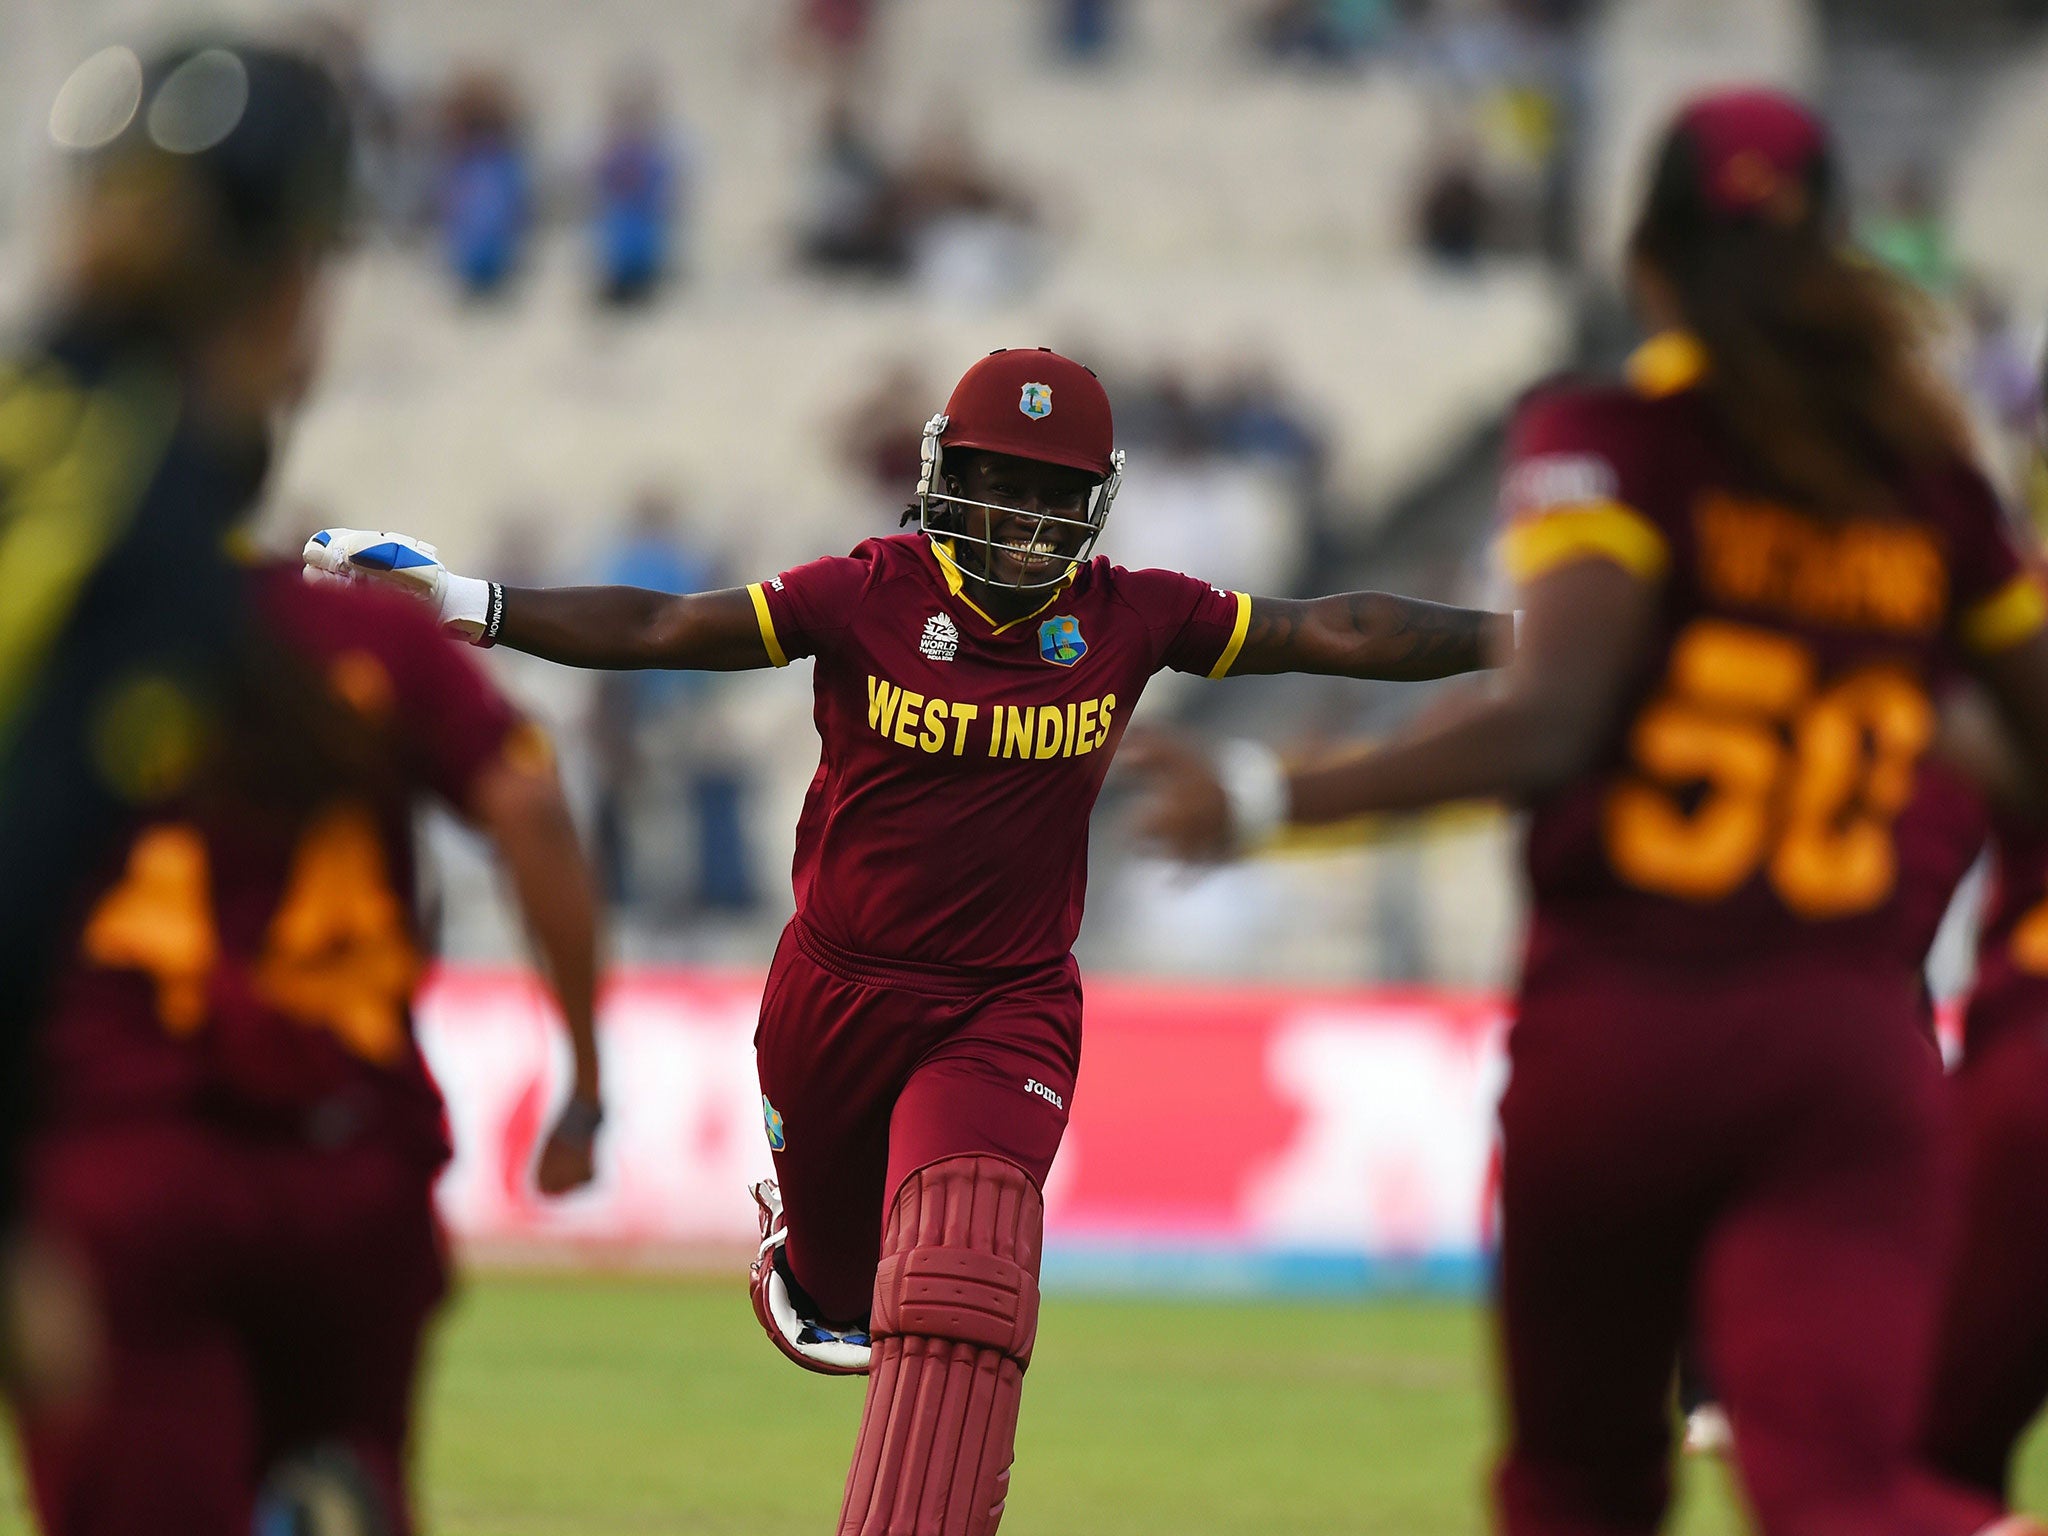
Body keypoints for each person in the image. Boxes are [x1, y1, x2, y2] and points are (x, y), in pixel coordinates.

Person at [305, 343, 1512, 1535]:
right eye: (996, 481)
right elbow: (672, 625)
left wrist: (1523, 636)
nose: (1020, 519)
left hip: (1006, 1005)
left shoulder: (1135, 615)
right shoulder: (867, 590)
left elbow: (1336, 628)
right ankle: (810, 1248)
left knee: (961, 1279)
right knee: (842, 1298)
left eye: (1049, 495)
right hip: (834, 994)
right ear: (944, 474)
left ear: (1094, 508)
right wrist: (470, 604)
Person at [1128, 91, 2048, 1536]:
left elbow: (1552, 718)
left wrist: (1271, 796)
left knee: (1577, 1491)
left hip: (1628, 1032)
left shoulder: (1615, 438)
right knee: (1843, 1492)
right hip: (1849, 1052)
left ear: (1650, 261)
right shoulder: (1930, 486)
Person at [2, 38, 607, 1534]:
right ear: (286, 284)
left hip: (124, 1156)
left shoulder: (89, 474)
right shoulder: (200, 557)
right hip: (345, 1160)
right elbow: (527, 810)